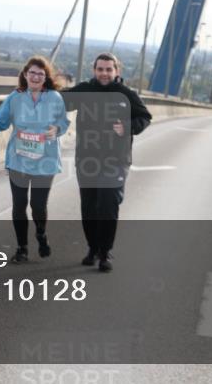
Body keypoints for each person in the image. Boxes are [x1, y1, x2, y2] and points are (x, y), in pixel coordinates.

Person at [63, 52, 152, 272]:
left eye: (108, 69)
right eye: (100, 69)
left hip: (116, 160)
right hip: (87, 159)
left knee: (108, 204)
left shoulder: (126, 94)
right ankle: (92, 249)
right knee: (89, 207)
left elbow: (145, 117)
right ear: (94, 70)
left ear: (116, 71)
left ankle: (105, 252)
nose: (104, 73)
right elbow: (60, 101)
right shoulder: (85, 90)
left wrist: (129, 127)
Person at [0, 56, 69, 264]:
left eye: (40, 74)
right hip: (19, 159)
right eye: (32, 72)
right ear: (25, 75)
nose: (35, 76)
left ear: (45, 78)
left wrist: (56, 129)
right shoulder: (15, 97)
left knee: (38, 206)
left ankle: (41, 235)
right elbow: (0, 119)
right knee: (19, 204)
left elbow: (64, 123)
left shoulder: (54, 98)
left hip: (46, 159)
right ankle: (22, 248)